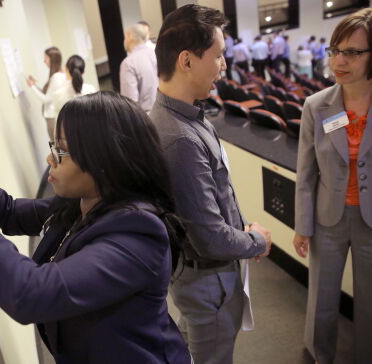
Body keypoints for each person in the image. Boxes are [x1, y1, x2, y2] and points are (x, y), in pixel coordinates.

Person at [0, 91, 192, 363]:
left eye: (61, 151)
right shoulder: (82, 202)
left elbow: (32, 293)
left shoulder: (139, 233)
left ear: (103, 161)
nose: (51, 159)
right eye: (54, 146)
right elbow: (10, 212)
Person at [150, 5, 272, 364]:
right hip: (209, 284)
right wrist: (256, 240)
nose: (223, 66)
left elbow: (216, 199)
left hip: (202, 279)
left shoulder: (184, 117)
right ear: (186, 61)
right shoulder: (180, 137)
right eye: (217, 56)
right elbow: (209, 236)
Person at [293, 8, 372, 364]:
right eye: (335, 50)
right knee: (322, 299)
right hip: (328, 216)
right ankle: (319, 356)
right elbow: (306, 173)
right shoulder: (317, 105)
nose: (339, 61)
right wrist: (302, 226)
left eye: (352, 52)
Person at [27, 46, 67, 140]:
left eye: (46, 58)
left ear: (52, 59)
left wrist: (32, 87)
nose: (44, 61)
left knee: (58, 149)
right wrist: (35, 85)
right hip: (54, 118)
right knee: (59, 148)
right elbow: (49, 94)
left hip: (53, 119)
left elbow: (46, 99)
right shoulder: (59, 75)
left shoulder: (56, 77)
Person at [120, 23, 158, 112]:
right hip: (166, 111)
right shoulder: (157, 53)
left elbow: (130, 102)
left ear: (130, 36)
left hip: (146, 116)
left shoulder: (129, 63)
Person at [52, 55, 96, 122]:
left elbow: (58, 123)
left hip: (70, 132)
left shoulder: (57, 95)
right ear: (83, 72)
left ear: (66, 69)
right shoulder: (91, 89)